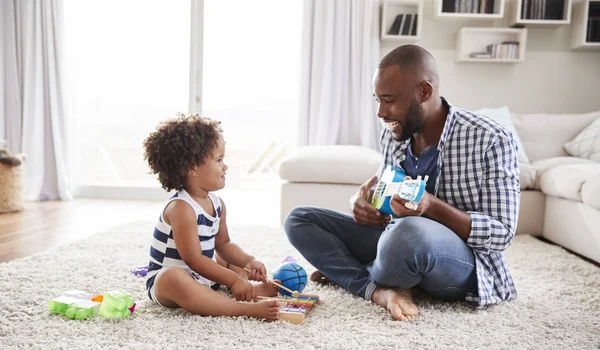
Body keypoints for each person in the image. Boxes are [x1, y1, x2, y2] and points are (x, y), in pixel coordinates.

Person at [284, 45, 520, 321]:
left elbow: (502, 232)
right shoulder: (395, 133)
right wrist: (361, 204)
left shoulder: (490, 138)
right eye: (378, 101)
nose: (381, 113)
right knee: (299, 219)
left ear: (424, 92)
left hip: (459, 261)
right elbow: (385, 206)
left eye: (389, 100)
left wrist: (431, 206)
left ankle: (353, 271)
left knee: (407, 234)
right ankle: (379, 288)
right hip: (394, 239)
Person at [142, 114, 280, 321]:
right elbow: (194, 259)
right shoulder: (181, 208)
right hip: (171, 283)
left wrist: (248, 262)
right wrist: (233, 281)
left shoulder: (217, 204)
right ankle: (240, 308)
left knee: (225, 260)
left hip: (202, 276)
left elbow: (223, 244)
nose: (225, 166)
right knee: (173, 277)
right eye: (218, 160)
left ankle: (250, 289)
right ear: (192, 168)